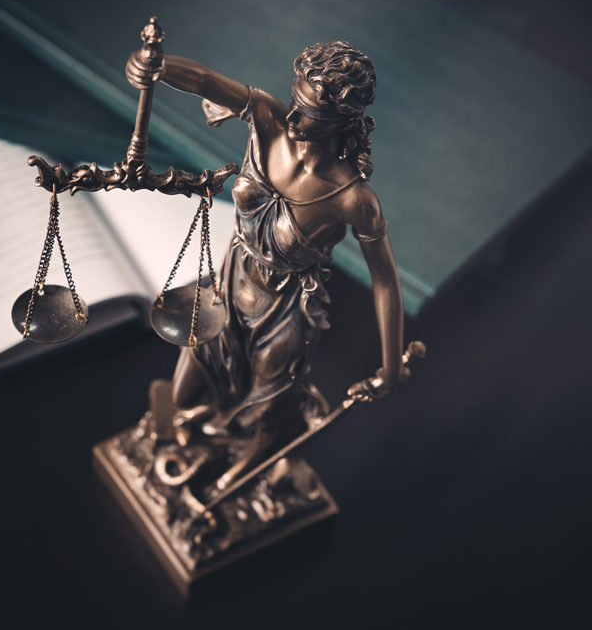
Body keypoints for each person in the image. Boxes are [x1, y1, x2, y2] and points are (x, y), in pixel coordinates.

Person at [126, 41, 405, 491]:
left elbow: (387, 283)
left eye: (308, 112)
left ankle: (265, 449)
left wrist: (390, 368)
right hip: (231, 279)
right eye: (294, 102)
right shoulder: (270, 122)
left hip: (287, 310)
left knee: (264, 408)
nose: (293, 117)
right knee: (180, 396)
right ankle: (215, 428)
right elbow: (204, 80)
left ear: (341, 120)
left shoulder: (356, 200)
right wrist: (156, 67)